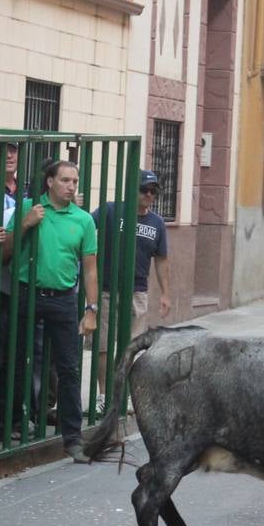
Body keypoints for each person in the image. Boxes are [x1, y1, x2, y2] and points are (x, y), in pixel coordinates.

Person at [0, 159, 99, 462]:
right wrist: (26, 224)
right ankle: (12, 425)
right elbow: (3, 254)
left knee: (69, 367)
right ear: (50, 182)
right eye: (66, 180)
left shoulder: (83, 220)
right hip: (26, 293)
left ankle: (73, 438)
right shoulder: (29, 207)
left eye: (75, 181)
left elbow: (91, 270)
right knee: (16, 360)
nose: (71, 186)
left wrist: (92, 309)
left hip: (63, 299)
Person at [92, 170, 171, 400]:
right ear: (132, 191)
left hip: (137, 292)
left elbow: (162, 259)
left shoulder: (157, 223)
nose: (150, 195)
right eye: (144, 190)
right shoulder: (111, 210)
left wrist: (166, 293)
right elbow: (86, 225)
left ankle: (121, 394)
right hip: (106, 287)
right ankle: (104, 395)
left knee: (131, 347)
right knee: (103, 345)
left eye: (154, 191)